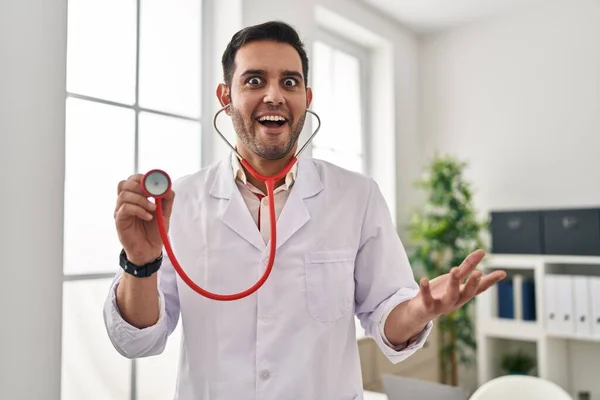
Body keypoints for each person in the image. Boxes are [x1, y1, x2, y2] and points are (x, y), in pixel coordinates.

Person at [103, 20, 505, 400]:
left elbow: (387, 318)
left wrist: (419, 309)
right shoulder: (183, 201)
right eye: (254, 80)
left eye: (289, 82)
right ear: (226, 98)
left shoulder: (356, 196)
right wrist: (141, 262)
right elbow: (139, 339)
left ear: (306, 99)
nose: (274, 95)